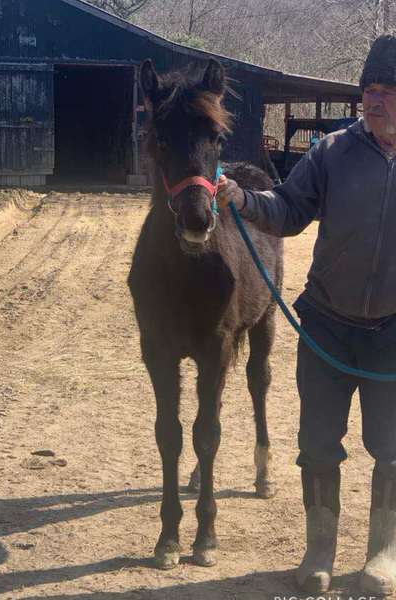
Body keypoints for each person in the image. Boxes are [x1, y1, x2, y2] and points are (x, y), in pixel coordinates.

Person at [217, 34, 396, 595]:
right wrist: (244, 201)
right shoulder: (332, 151)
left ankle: (383, 551)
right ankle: (319, 548)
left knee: (393, 445)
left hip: (392, 335)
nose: (376, 101)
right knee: (317, 442)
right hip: (326, 326)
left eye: (390, 91)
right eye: (370, 89)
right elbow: (290, 209)